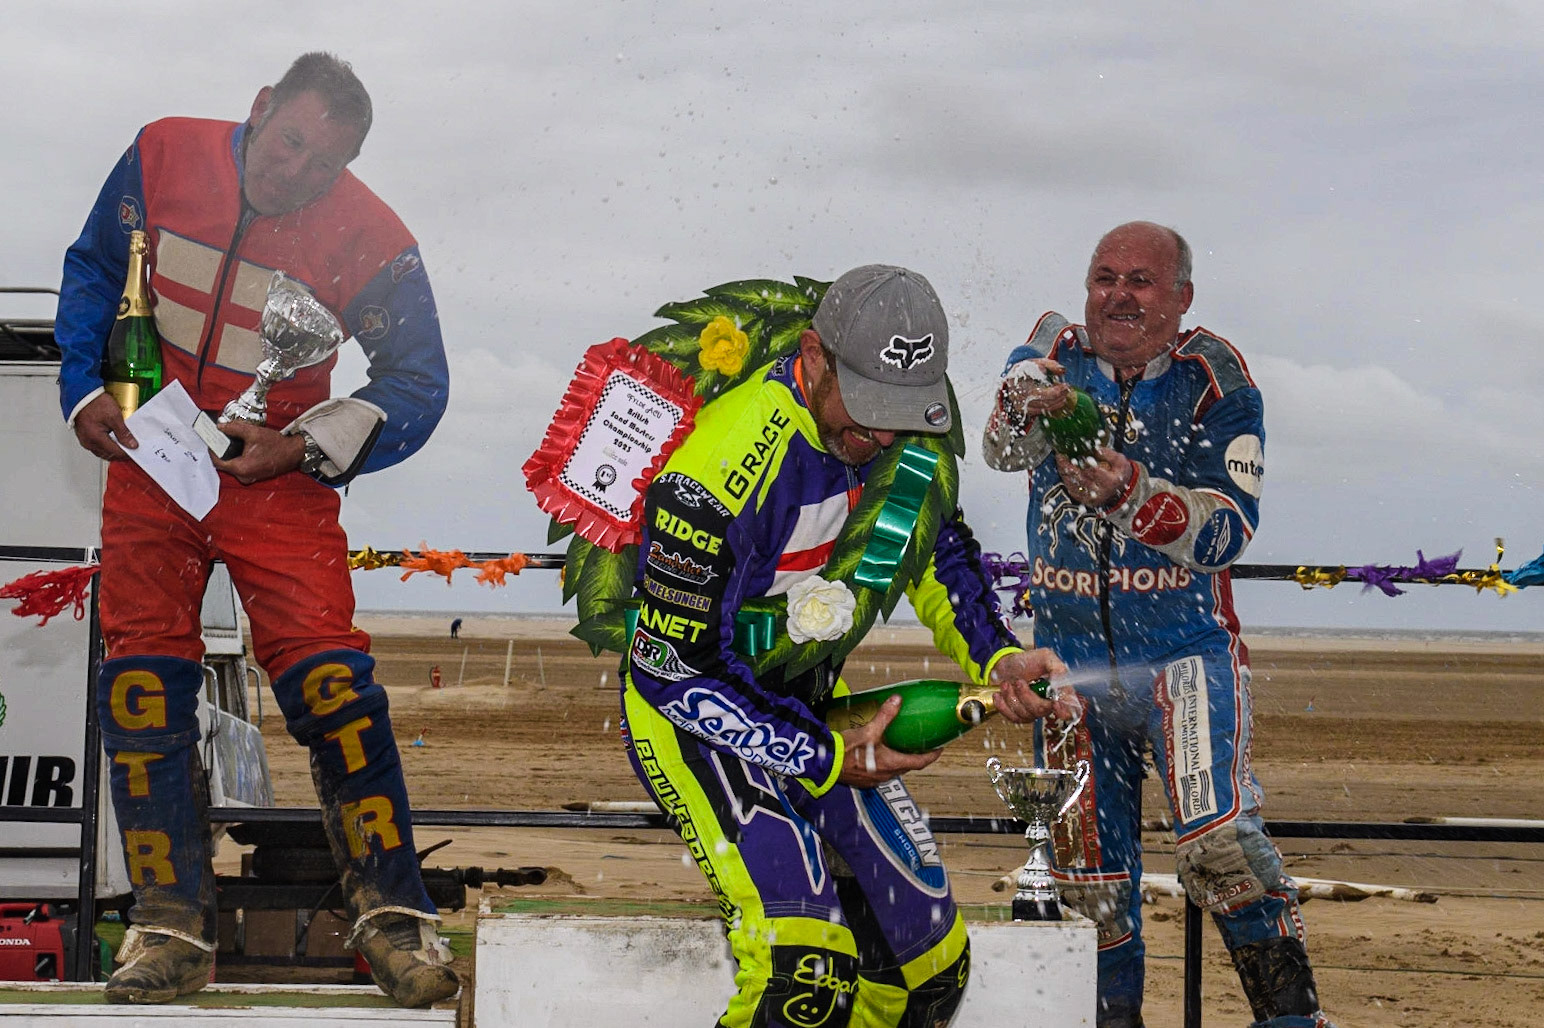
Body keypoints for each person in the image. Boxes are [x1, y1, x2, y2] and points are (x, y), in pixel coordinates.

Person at [55, 53, 455, 1007]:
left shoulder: (373, 234)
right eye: (288, 145)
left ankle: (393, 920)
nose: (296, 174)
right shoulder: (160, 154)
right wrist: (83, 392)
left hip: (278, 478)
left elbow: (420, 385)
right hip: (150, 460)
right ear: (261, 107)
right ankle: (169, 930)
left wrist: (302, 447)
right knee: (143, 687)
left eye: (324, 164)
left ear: (349, 164)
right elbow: (93, 271)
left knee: (332, 685)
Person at [622, 265, 1071, 1027]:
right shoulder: (716, 466)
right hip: (698, 718)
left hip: (811, 715)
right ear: (814, 355)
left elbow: (933, 548)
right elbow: (672, 670)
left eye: (903, 412)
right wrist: (827, 757)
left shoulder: (904, 439)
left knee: (927, 969)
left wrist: (997, 659)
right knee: (807, 973)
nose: (887, 434)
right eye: (867, 412)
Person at [982, 222, 1334, 1028]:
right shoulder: (1053, 348)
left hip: (1184, 656)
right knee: (1089, 890)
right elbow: (1002, 449)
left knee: (1224, 854)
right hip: (1069, 668)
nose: (1119, 296)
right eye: (1103, 277)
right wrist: (1026, 393)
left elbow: (1228, 531)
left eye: (1141, 282)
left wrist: (1136, 494)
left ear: (1181, 299)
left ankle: (1293, 1022)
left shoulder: (1217, 377)